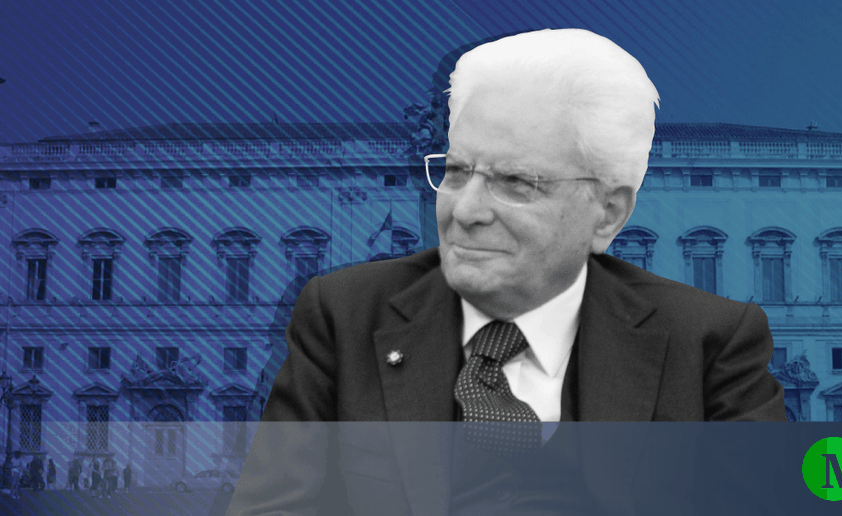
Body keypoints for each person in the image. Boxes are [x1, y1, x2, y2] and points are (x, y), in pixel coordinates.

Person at [230, 28, 784, 514]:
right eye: (455, 171)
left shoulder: (712, 343)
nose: (465, 210)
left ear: (608, 213)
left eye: (516, 182)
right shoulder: (342, 317)